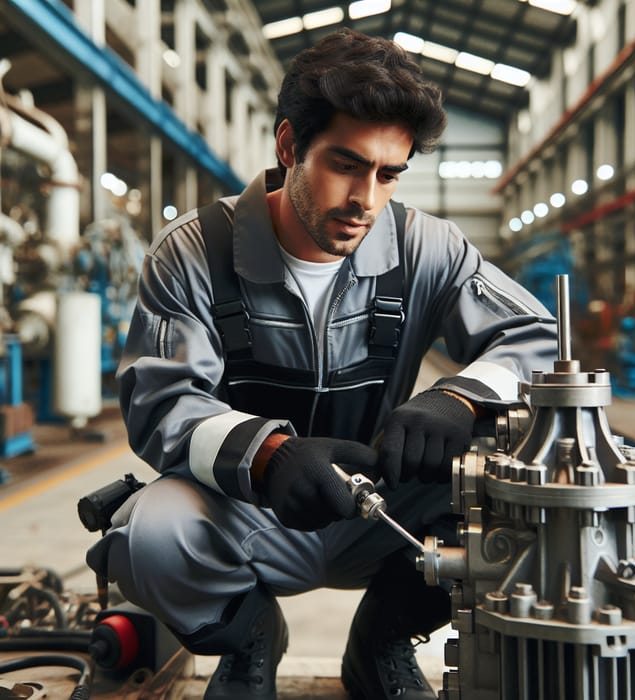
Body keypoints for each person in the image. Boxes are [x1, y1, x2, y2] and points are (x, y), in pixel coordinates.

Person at [86, 27, 557, 700]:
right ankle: (248, 642)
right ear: (289, 146)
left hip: (383, 513)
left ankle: (383, 643)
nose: (366, 198)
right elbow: (163, 403)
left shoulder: (429, 249)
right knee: (147, 534)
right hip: (246, 512)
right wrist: (269, 455)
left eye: (388, 174)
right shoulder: (193, 254)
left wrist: (461, 396)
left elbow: (538, 338)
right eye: (346, 163)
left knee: (525, 498)